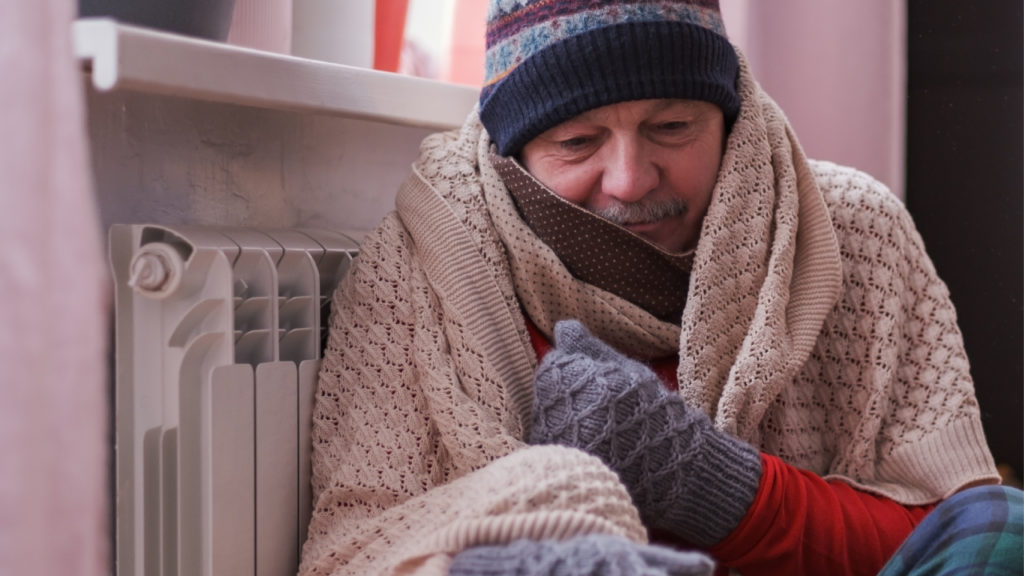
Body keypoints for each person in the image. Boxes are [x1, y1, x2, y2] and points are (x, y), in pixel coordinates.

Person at [297, 1, 1021, 575]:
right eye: (577, 142)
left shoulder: (850, 233)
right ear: (512, 151)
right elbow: (356, 551)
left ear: (729, 118)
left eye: (672, 127)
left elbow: (950, 531)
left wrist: (705, 478)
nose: (629, 181)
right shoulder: (427, 263)